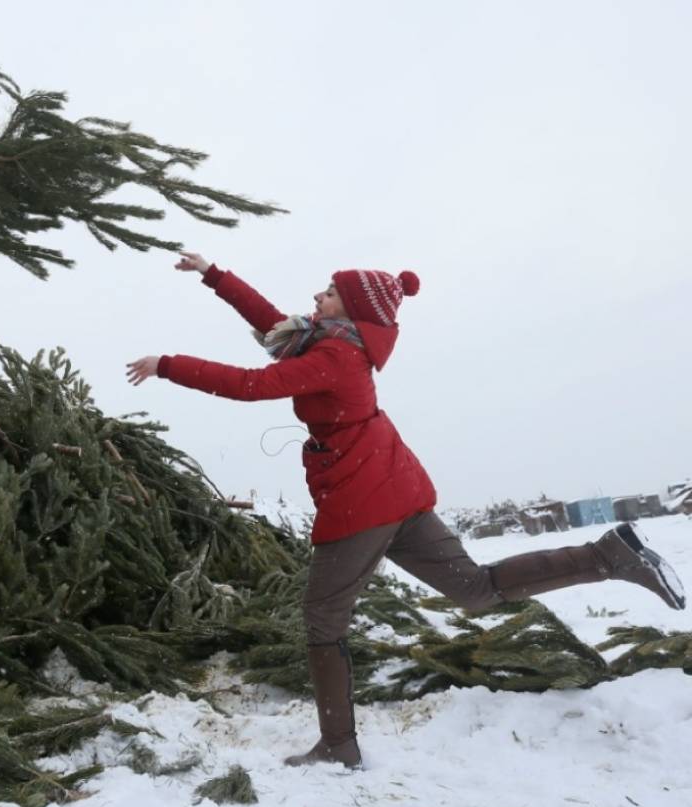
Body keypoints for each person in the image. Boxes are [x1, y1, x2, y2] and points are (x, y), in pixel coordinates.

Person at [126, 251, 686, 770]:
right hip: (395, 486)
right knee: (475, 589)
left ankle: (338, 745)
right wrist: (213, 274)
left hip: (362, 498)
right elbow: (270, 320)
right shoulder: (323, 342)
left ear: (353, 309)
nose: (317, 296)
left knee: (323, 615)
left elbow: (252, 385)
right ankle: (608, 555)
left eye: (329, 292)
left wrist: (167, 365)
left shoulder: (334, 356)